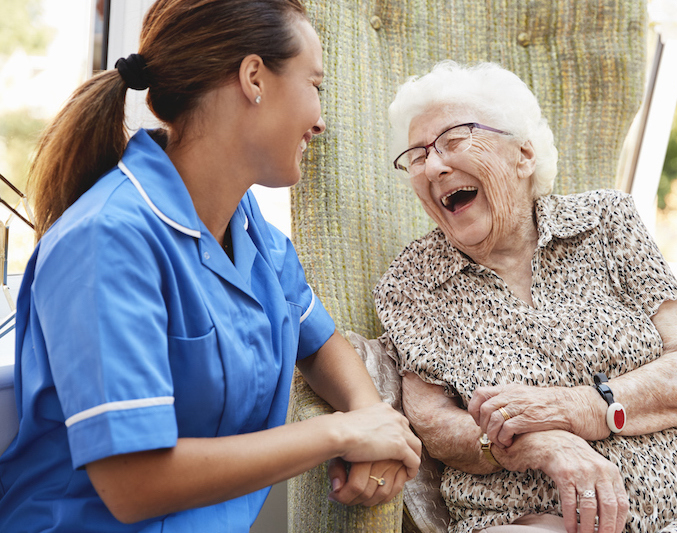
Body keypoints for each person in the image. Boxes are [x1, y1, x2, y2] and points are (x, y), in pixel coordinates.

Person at [0, 1, 421, 531]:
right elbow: (134, 484)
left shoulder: (246, 227)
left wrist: (371, 417)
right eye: (315, 85)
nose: (320, 119)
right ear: (254, 78)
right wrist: (341, 434)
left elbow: (319, 341)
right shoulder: (106, 240)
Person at [373, 61, 677, 533]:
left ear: (523, 155)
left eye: (452, 140)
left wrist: (578, 409)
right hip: (530, 512)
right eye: (418, 155)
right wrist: (544, 446)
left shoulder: (607, 221)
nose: (435, 165)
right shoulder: (411, 282)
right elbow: (436, 426)